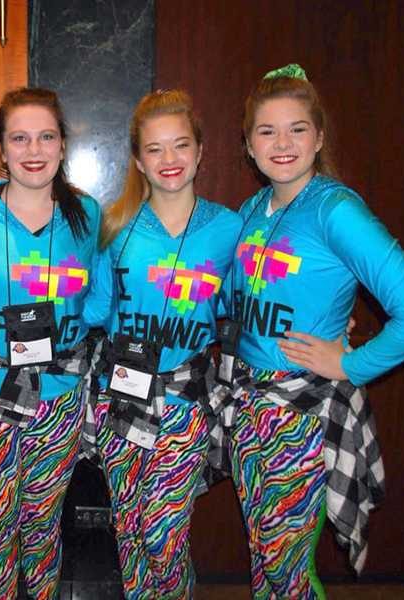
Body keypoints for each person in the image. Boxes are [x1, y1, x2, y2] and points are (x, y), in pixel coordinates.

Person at [224, 64, 404, 598]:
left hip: (302, 416)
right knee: (268, 560)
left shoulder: (336, 210)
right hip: (248, 407)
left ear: (319, 137)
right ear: (248, 145)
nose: (282, 143)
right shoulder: (253, 209)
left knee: (287, 571)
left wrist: (348, 363)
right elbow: (242, 298)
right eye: (267, 131)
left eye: (298, 128)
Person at [83, 89, 241, 599]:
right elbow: (94, 312)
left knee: (160, 535)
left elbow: (249, 301)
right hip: (121, 392)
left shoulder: (230, 228)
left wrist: (329, 326)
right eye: (154, 149)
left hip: (185, 399)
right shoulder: (116, 226)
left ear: (200, 151)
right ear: (137, 159)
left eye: (180, 145)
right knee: (130, 531)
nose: (168, 160)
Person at [0, 87, 101, 600]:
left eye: (45, 137)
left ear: (62, 146)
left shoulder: (88, 215)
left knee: (42, 522)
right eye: (19, 138)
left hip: (59, 389)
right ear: (1, 148)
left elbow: (104, 298)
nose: (33, 150)